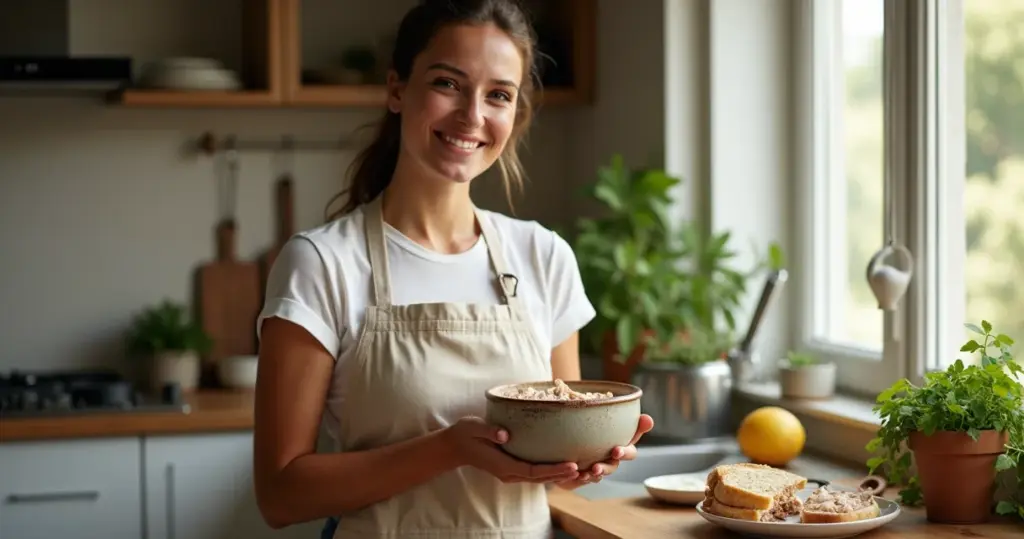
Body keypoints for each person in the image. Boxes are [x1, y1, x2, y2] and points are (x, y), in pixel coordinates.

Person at [252, 0, 654, 537]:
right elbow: (280, 494)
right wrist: (446, 449)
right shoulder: (323, 262)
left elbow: (559, 454)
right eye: (448, 84)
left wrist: (584, 460)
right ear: (397, 90)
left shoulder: (544, 256)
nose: (472, 116)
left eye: (498, 95)